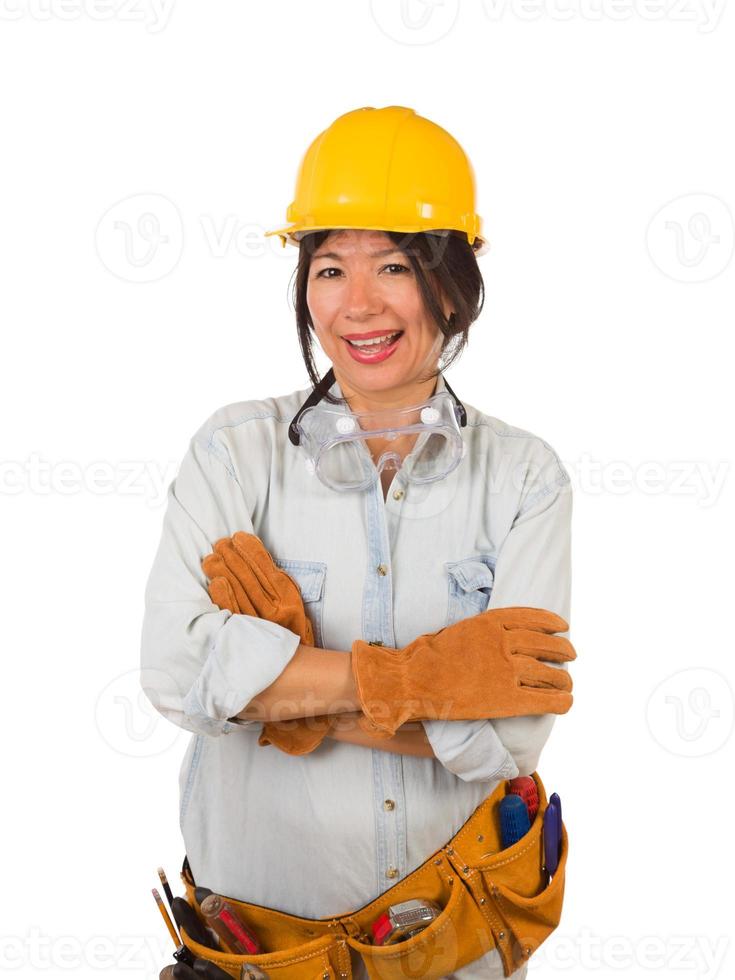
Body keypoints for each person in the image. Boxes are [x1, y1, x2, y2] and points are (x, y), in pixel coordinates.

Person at [140, 105, 574, 980]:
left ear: (452, 283)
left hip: (456, 947)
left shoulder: (525, 477)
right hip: (256, 958)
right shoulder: (234, 454)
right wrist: (413, 682)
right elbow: (176, 673)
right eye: (330, 266)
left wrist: (276, 690)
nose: (358, 303)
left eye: (395, 265)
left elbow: (513, 734)